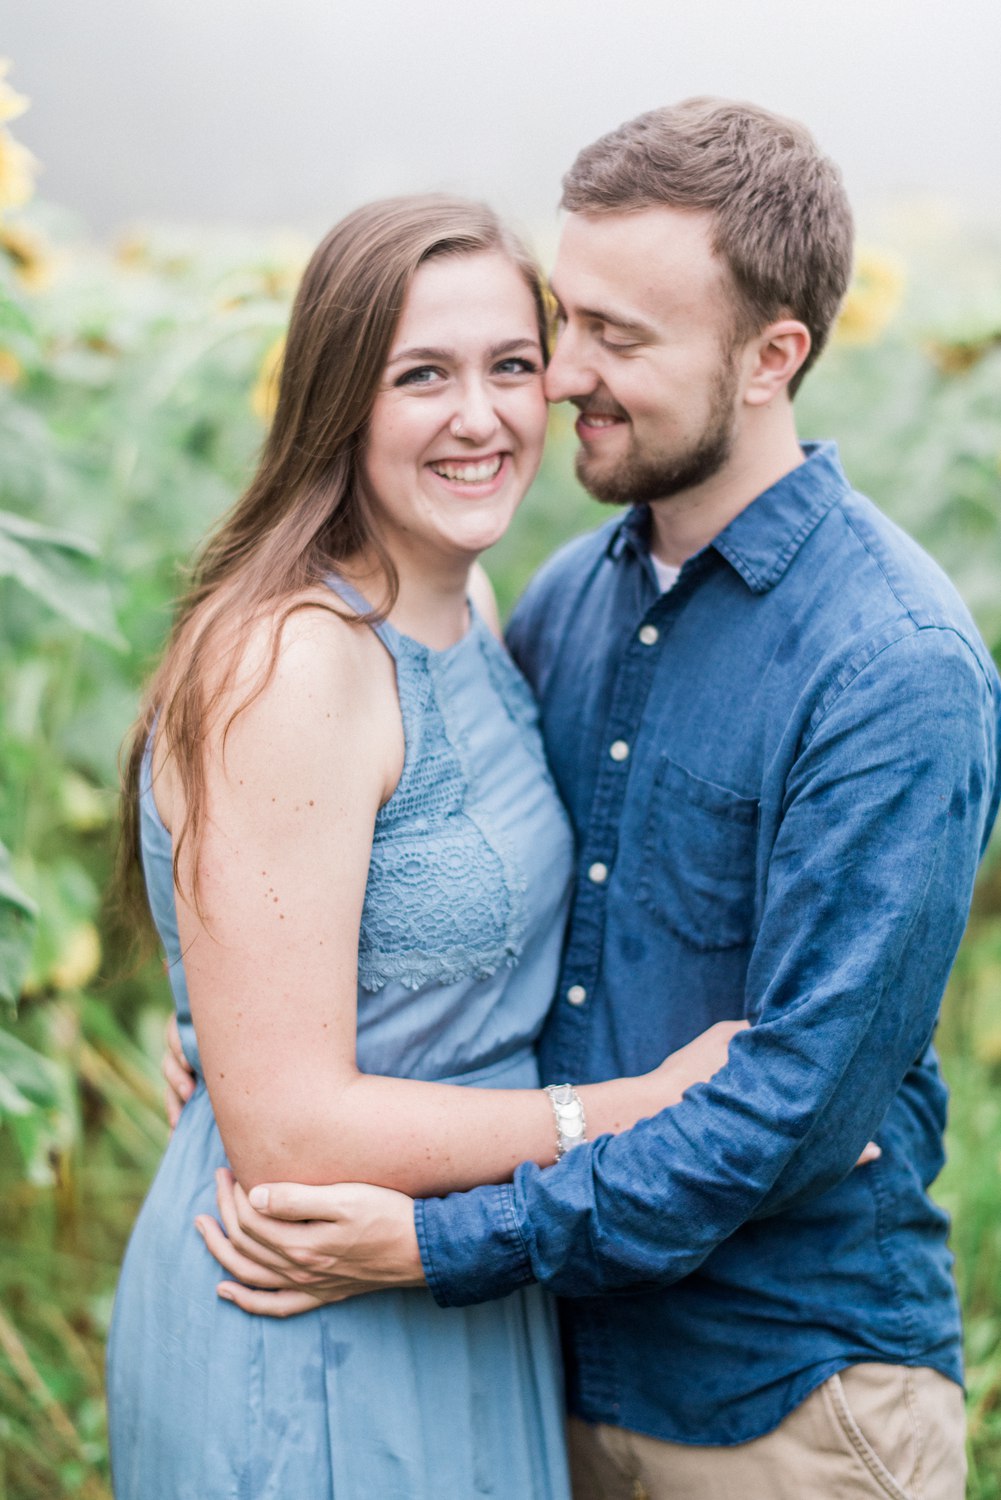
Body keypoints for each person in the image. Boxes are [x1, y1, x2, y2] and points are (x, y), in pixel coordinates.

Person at [187, 102, 1001, 1499]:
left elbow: (793, 1113)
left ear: (772, 358)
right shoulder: (566, 598)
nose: (561, 376)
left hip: (781, 1400)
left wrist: (439, 1243)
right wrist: (235, 1021)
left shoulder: (891, 666)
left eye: (620, 340)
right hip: (535, 1380)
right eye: (570, 321)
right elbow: (422, 890)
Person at [107, 192, 750, 1499]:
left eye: (511, 366)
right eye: (422, 376)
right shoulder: (298, 662)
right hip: (309, 1301)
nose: (481, 416)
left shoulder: (464, 601)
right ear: (340, 399)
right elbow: (284, 1129)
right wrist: (631, 1112)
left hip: (447, 1270)